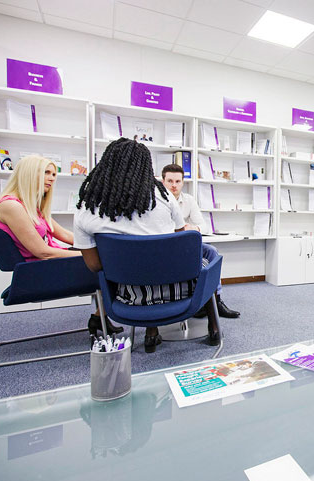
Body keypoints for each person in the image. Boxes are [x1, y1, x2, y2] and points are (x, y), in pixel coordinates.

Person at [73, 138, 219, 353]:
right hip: (183, 291)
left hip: (128, 296)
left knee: (141, 268)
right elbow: (181, 245)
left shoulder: (86, 210)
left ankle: (152, 331)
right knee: (208, 255)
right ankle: (214, 325)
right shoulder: (164, 198)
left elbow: (94, 265)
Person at [0, 154, 122, 336]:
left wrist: (98, 244)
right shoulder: (11, 207)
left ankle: (99, 317)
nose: (51, 177)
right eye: (46, 173)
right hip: (38, 273)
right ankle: (101, 318)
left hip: (44, 267)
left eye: (53, 173)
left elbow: (64, 234)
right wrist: (92, 255)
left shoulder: (30, 206)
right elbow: (43, 253)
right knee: (114, 268)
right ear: (28, 173)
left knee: (110, 261)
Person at [160, 163, 240, 319]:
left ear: (183, 182)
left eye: (178, 181)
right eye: (170, 181)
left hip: (185, 245)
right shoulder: (158, 202)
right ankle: (199, 303)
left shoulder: (189, 200)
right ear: (163, 181)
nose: (174, 185)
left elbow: (204, 227)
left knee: (212, 252)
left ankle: (215, 301)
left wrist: (191, 228)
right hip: (165, 247)